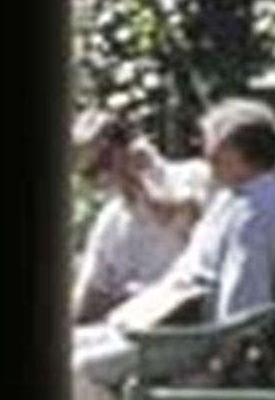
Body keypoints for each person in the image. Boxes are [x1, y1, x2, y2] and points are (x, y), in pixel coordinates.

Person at [70, 95, 275, 400]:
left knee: (81, 368)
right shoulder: (241, 198)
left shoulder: (256, 212)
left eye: (209, 141)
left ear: (231, 149)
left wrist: (219, 364)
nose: (204, 150)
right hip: (173, 324)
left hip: (193, 337)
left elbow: (244, 300)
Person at [69, 109, 204, 328]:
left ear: (129, 147)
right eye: (90, 173)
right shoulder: (110, 219)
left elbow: (181, 219)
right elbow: (87, 295)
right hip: (129, 327)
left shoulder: (194, 177)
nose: (102, 179)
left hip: (188, 326)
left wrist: (146, 181)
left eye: (104, 162)